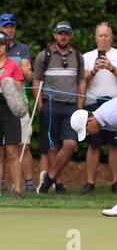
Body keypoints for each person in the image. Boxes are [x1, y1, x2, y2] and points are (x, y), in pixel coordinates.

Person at [34, 21, 86, 195]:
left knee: (70, 144)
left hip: (71, 106)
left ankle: (49, 178)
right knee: (52, 147)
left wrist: (80, 105)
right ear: (55, 35)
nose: (63, 36)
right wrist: (39, 103)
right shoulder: (44, 55)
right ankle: (59, 183)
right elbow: (36, 80)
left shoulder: (77, 56)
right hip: (50, 104)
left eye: (66, 33)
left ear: (70, 35)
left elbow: (81, 81)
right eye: (60, 33)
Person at [81, 22, 117, 194]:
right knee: (93, 144)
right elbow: (81, 81)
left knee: (114, 144)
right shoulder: (87, 56)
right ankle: (90, 182)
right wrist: (93, 70)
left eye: (106, 35)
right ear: (95, 38)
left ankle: (116, 182)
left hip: (115, 103)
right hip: (93, 104)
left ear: (112, 36)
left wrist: (110, 67)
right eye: (100, 35)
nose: (103, 38)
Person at [0, 13, 34, 192]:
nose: (9, 29)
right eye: (5, 26)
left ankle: (24, 187)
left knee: (19, 148)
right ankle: (1, 185)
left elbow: (26, 78)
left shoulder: (19, 54)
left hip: (14, 107)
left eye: (11, 26)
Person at [0, 31, 24, 197]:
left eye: (1, 44)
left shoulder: (13, 65)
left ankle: (17, 189)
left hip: (9, 107)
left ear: (6, 46)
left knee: (12, 151)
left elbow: (18, 91)